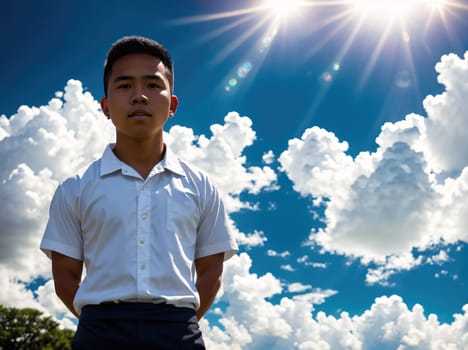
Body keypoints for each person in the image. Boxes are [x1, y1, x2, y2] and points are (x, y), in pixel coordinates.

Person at [40, 35, 238, 349]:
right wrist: (100, 326)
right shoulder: (75, 187)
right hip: (99, 332)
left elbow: (212, 270)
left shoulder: (200, 185)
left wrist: (180, 324)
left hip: (178, 331)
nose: (139, 96)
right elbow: (65, 274)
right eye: (124, 85)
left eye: (153, 85)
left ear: (172, 104)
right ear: (105, 106)